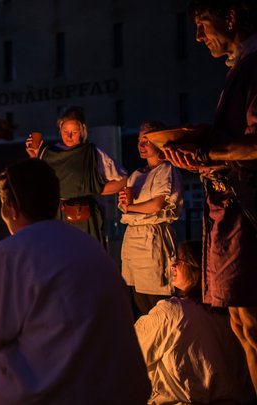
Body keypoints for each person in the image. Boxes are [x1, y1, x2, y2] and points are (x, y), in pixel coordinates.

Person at [0, 159, 150, 404]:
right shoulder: (91, 247)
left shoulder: (10, 253)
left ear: (11, 208)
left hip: (54, 396)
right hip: (120, 392)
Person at [163, 0, 257, 393]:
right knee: (240, 323)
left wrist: (207, 152)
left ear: (231, 17)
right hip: (231, 216)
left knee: (253, 323)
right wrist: (202, 146)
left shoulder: (255, 66)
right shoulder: (241, 67)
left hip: (247, 215)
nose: (198, 36)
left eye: (203, 24)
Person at [135, 241, 255, 404]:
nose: (173, 266)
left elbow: (130, 354)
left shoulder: (170, 312)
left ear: (196, 269)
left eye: (179, 261)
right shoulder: (232, 314)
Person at [26, 106, 127, 246]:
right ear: (60, 130)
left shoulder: (92, 153)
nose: (69, 136)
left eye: (74, 132)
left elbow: (123, 180)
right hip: (55, 216)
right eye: (65, 131)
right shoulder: (49, 153)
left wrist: (93, 188)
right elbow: (38, 183)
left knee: (84, 257)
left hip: (83, 217)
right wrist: (35, 157)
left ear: (83, 131)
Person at [119, 122, 183, 316]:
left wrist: (130, 207)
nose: (141, 145)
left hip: (152, 239)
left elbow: (156, 205)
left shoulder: (165, 170)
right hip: (132, 238)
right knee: (135, 296)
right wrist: (124, 204)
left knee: (156, 300)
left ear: (159, 142)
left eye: (146, 140)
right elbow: (127, 209)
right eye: (139, 140)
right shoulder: (136, 175)